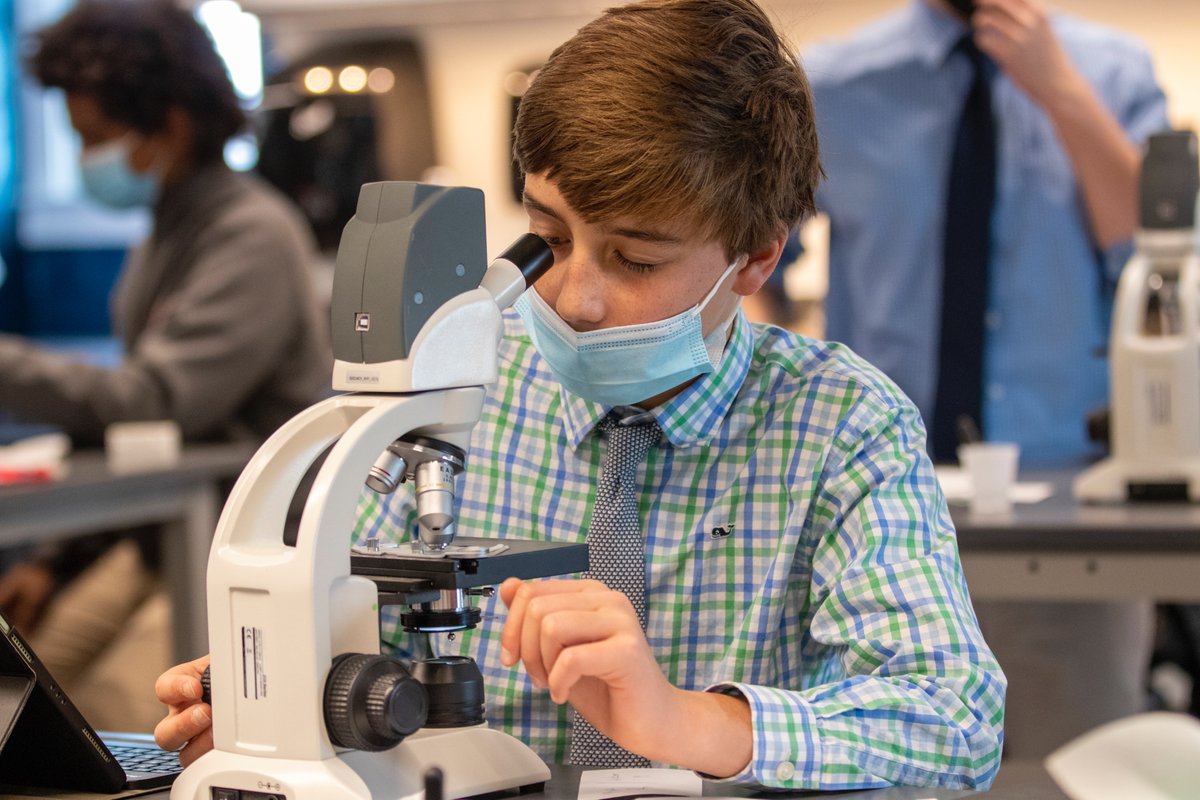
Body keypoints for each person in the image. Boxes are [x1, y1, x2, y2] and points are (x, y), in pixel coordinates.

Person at [153, 0, 1005, 789]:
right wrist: (259, 691)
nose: (574, 297)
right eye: (549, 237)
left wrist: (686, 718)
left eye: (636, 260)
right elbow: (345, 629)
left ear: (755, 259)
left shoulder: (841, 425)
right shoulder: (456, 388)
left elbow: (955, 722)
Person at [802, 0, 1169, 756]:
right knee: (887, 764)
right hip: (873, 513)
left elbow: (1153, 262)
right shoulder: (831, 83)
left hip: (1077, 517)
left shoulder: (1114, 70)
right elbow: (753, 252)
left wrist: (1061, 91)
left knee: (1081, 764)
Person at [0, 0, 330, 730]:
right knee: (21, 691)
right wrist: (57, 559)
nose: (88, 157)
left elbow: (153, 399)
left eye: (96, 137)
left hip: (233, 544)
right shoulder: (168, 227)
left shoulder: (252, 234)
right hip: (153, 536)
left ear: (171, 124)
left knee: (116, 721)